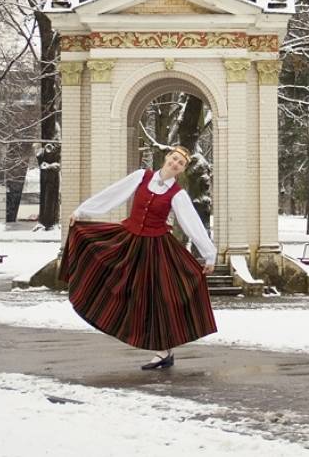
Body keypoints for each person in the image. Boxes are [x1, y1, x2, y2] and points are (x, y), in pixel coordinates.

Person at [59, 144, 217, 370]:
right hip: (129, 240)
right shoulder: (142, 176)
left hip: (156, 248)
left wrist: (209, 255)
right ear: (166, 158)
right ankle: (128, 329)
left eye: (180, 164)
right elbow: (113, 194)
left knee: (157, 298)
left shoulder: (177, 194)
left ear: (182, 170)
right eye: (173, 159)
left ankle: (163, 351)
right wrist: (84, 211)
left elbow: (192, 224)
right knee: (116, 284)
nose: (175, 164)